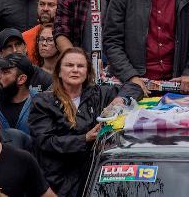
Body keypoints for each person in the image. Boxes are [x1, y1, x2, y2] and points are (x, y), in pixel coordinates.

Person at [28, 47, 141, 197]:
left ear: (87, 72)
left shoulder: (99, 94)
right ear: (59, 72)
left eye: (80, 66)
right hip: (57, 180)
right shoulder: (42, 102)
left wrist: (120, 99)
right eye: (69, 65)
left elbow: (134, 87)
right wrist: (84, 139)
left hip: (93, 178)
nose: (75, 70)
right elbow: (45, 141)